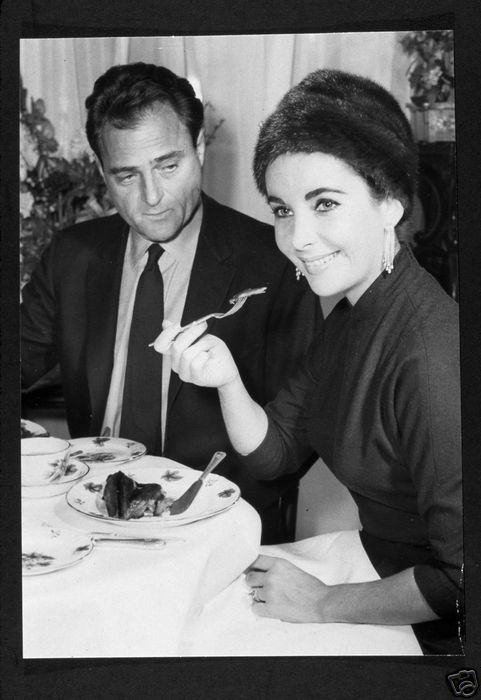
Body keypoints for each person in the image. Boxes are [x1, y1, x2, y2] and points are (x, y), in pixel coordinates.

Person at [152, 69, 462, 654]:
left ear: (391, 202)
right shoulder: (351, 313)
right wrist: (227, 379)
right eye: (283, 210)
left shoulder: (432, 354)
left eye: (324, 204)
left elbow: (460, 582)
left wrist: (320, 603)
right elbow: (277, 454)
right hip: (374, 568)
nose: (298, 238)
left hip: (429, 629)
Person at [21, 62, 322, 544]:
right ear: (101, 172)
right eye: (127, 176)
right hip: (92, 519)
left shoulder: (275, 262)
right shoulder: (70, 255)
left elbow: (296, 441)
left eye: (168, 166)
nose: (153, 197)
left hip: (218, 527)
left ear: (199, 148)